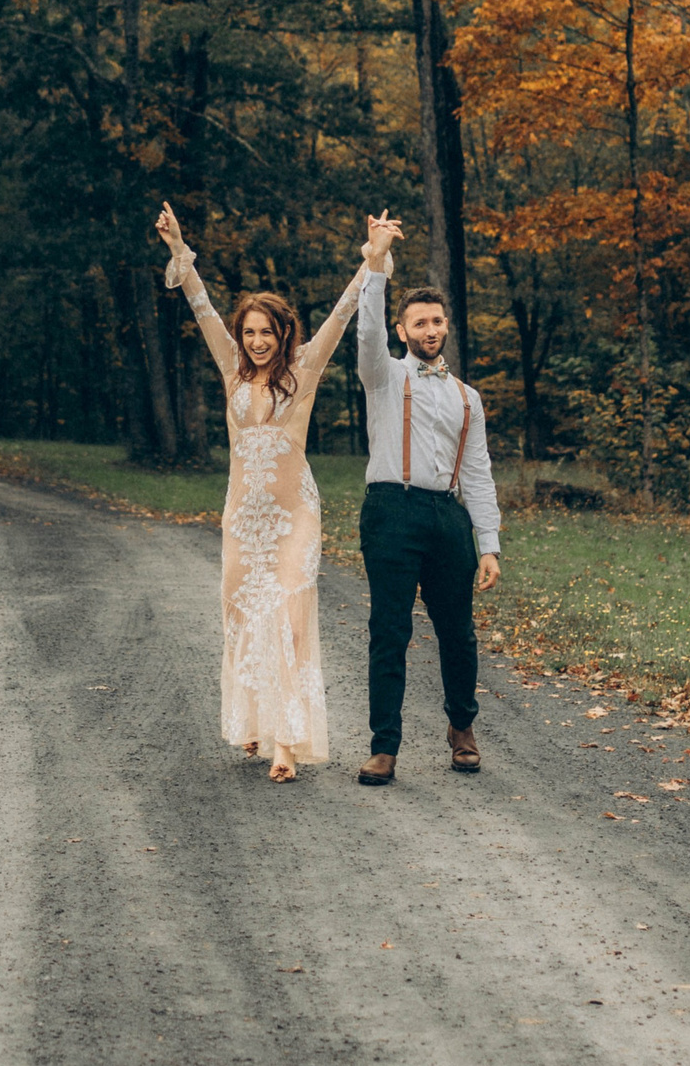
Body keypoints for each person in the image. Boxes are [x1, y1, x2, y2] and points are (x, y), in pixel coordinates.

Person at [155, 201, 374, 782]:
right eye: (249, 332)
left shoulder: (303, 371)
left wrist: (370, 260)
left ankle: (286, 743)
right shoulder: (230, 370)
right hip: (242, 516)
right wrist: (180, 250)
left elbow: (341, 314)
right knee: (242, 617)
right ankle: (250, 721)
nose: (256, 342)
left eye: (266, 332)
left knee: (288, 621)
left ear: (283, 334)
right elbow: (200, 307)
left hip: (292, 514)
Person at [350, 212, 500, 785]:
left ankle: (462, 728)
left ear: (446, 326)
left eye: (437, 321)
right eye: (419, 323)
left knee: (457, 630)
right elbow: (366, 335)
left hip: (447, 516)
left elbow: (479, 474)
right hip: (391, 510)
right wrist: (376, 262)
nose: (430, 330)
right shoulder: (385, 376)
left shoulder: (468, 398)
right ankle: (384, 745)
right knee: (390, 629)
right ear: (403, 329)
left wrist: (488, 545)